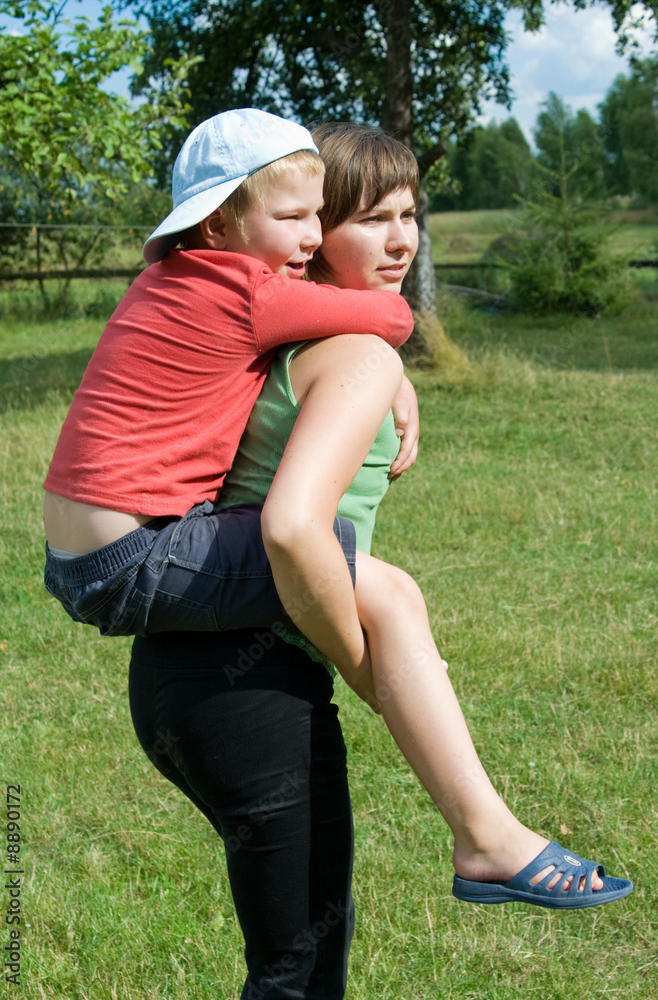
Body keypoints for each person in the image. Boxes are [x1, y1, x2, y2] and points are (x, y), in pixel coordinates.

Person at [129, 122, 632, 999]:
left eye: (411, 215)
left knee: (303, 960)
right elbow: (294, 530)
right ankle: (485, 834)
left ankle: (485, 832)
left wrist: (384, 364)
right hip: (241, 684)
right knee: (299, 973)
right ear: (316, 229)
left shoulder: (284, 342)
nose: (401, 239)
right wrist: (371, 672)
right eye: (371, 219)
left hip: (200, 673)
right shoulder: (349, 350)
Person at [42, 108, 413, 639]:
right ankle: (372, 676)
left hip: (68, 558)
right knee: (323, 550)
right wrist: (389, 372)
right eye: (292, 218)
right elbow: (393, 317)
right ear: (217, 225)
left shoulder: (160, 281)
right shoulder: (253, 294)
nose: (312, 237)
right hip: (137, 557)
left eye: (319, 216)